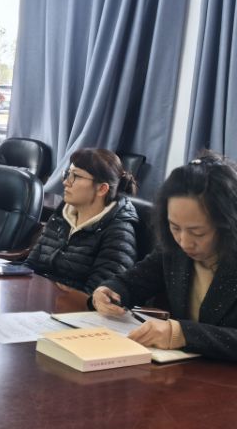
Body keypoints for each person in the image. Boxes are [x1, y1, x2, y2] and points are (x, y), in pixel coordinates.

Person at [93, 152, 237, 361]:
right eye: (175, 227)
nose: (184, 242)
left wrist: (182, 334)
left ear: (228, 225)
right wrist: (109, 291)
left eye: (198, 233)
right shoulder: (173, 248)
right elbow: (134, 281)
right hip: (181, 370)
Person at [25, 148, 139, 293]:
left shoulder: (119, 233)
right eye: (68, 174)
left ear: (102, 189)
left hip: (70, 305)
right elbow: (30, 266)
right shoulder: (60, 216)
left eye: (76, 176)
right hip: (40, 297)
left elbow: (97, 295)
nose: (66, 182)